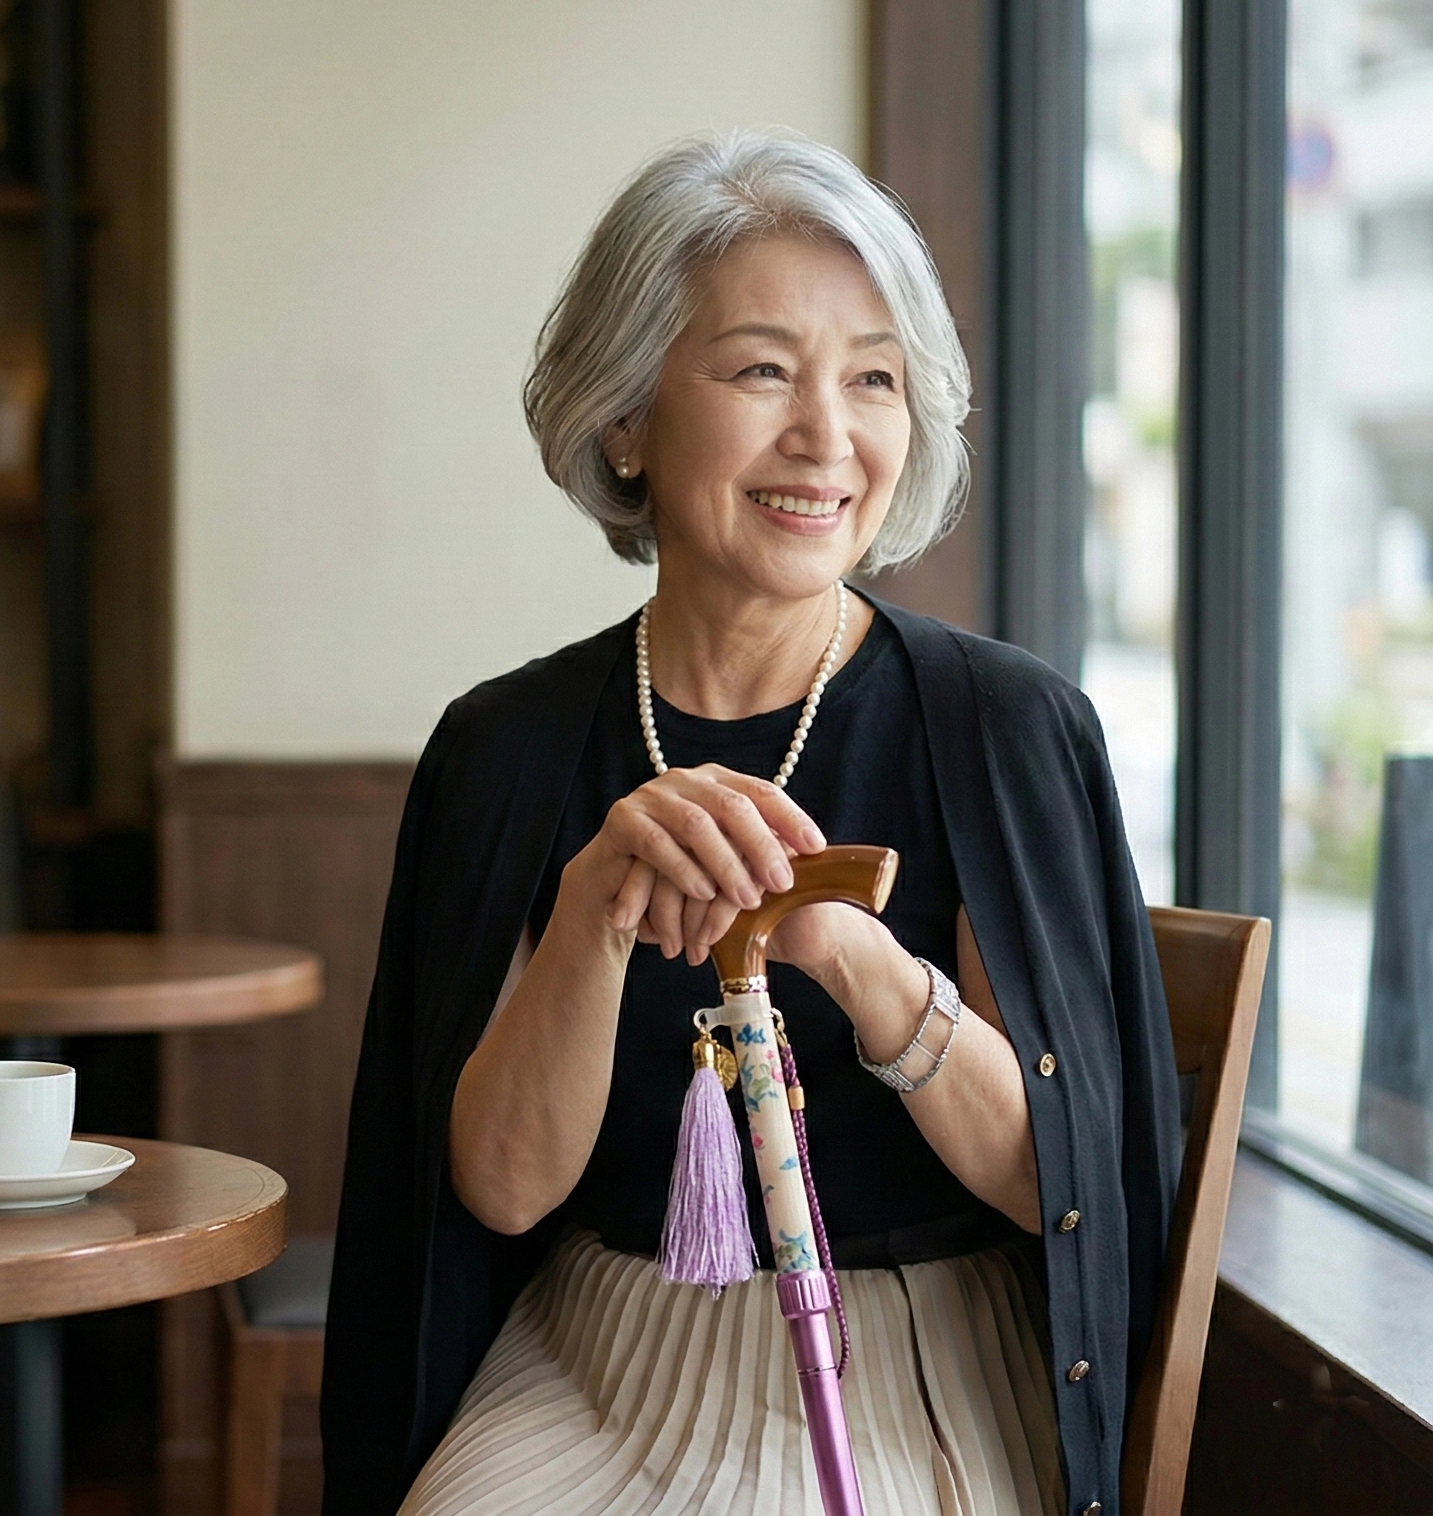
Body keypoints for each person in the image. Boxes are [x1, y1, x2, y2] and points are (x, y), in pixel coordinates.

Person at [320, 130, 1180, 1516]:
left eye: (875, 380)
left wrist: (856, 962)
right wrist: (598, 910)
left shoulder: (1010, 730)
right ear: (624, 415)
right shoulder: (510, 749)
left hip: (916, 1353)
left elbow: (1068, 1190)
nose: (827, 438)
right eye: (763, 369)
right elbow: (500, 1193)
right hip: (599, 1347)